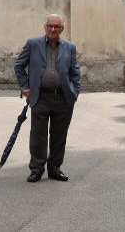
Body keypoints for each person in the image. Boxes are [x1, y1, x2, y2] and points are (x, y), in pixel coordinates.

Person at [14, 14, 81, 182]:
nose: (53, 29)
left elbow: (75, 73)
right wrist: (24, 87)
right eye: (50, 26)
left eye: (57, 27)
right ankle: (36, 169)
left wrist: (74, 93)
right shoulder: (33, 44)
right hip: (40, 96)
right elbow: (19, 65)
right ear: (45, 27)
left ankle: (55, 168)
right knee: (38, 136)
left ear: (62, 29)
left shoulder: (69, 47)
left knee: (59, 136)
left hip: (63, 98)